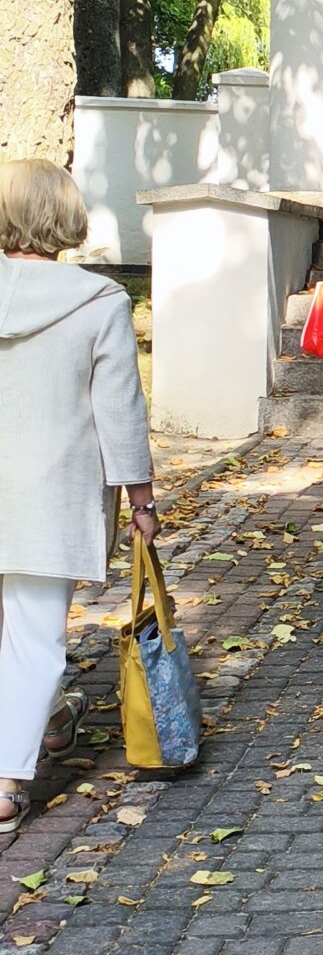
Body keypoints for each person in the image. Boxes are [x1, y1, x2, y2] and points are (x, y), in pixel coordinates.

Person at [0, 162, 156, 838]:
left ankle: (51, 719)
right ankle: (6, 782)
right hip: (51, 490)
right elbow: (117, 409)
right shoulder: (98, 301)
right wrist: (141, 497)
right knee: (34, 635)